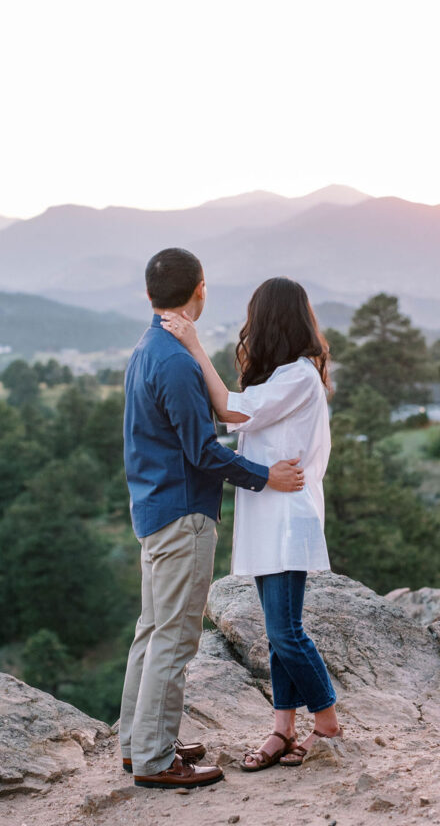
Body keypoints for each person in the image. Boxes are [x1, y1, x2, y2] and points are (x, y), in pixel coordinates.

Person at [119, 249, 306, 790]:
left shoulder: (148, 348)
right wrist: (264, 475)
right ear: (201, 288)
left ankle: (138, 744)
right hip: (182, 515)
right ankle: (155, 759)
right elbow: (203, 452)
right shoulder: (176, 360)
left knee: (151, 632)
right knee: (175, 638)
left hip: (153, 509)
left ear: (149, 294)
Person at [161, 276, 342, 771]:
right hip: (268, 516)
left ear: (268, 321)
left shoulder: (300, 376)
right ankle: (282, 728)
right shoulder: (280, 377)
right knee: (277, 631)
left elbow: (231, 411)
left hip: (287, 519)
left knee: (286, 632)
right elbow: (242, 414)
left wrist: (193, 344)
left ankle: (325, 720)